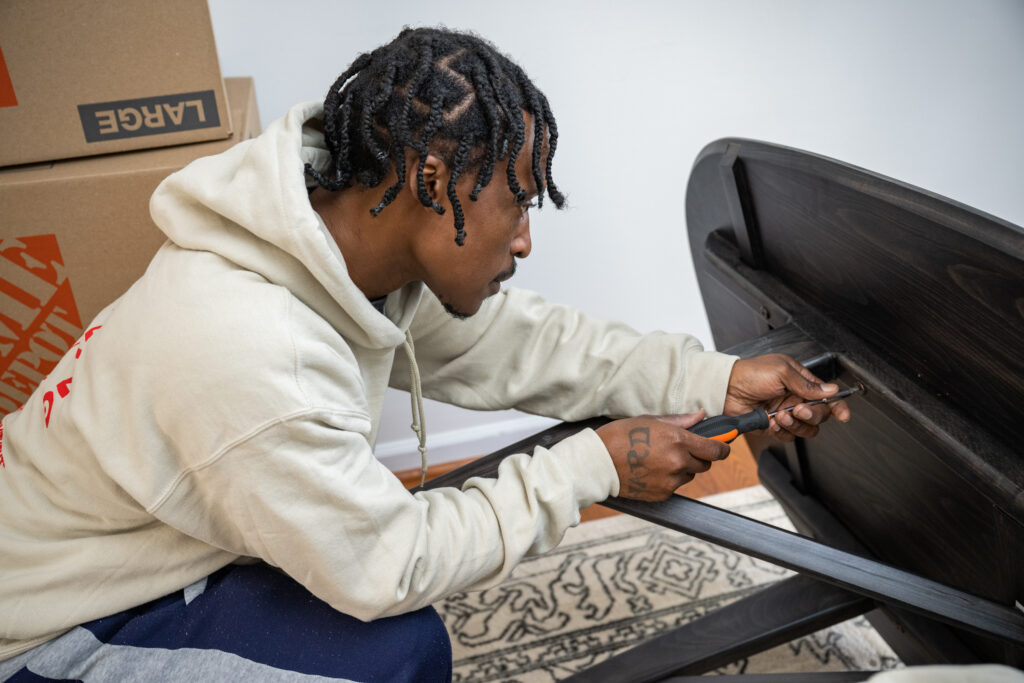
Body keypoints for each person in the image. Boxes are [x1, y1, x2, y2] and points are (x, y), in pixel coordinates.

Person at [0, 27, 850, 681]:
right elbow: (388, 564)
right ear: (436, 183)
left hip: (122, 555)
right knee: (393, 653)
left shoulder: (336, 234)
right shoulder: (258, 355)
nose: (523, 238)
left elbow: (519, 343)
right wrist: (590, 465)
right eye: (518, 201)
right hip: (42, 632)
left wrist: (713, 374)